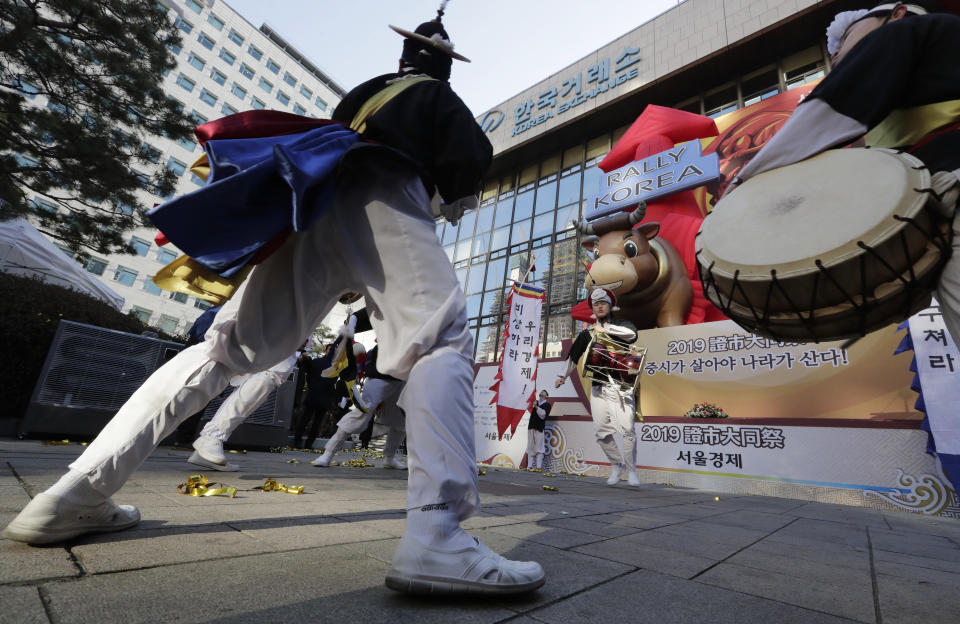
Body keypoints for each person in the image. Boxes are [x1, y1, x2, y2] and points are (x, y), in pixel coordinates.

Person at [3, 4, 545, 596]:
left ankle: (76, 492)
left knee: (223, 351)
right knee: (438, 342)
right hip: (386, 195)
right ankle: (438, 536)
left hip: (314, 207)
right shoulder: (439, 100)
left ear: (404, 54)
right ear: (444, 66)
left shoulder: (365, 92)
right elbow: (463, 181)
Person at [726, 1, 960, 343]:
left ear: (896, 14)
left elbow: (829, 111)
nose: (835, 56)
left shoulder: (910, 30)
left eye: (845, 39)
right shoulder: (913, 82)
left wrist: (747, 177)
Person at [556, 288, 642, 486]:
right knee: (602, 431)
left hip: (621, 385)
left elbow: (632, 335)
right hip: (599, 386)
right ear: (593, 309)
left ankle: (631, 470)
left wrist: (606, 330)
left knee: (627, 429)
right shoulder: (587, 333)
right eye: (596, 304)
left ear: (611, 306)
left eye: (603, 303)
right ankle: (617, 465)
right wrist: (562, 376)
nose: (600, 306)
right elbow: (573, 356)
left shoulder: (621, 325)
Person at [313, 342, 407, 469]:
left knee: (401, 421)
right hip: (379, 376)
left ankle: (389, 458)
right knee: (361, 414)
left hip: (402, 378)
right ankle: (328, 453)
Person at [524, 390, 552, 470]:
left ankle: (538, 466)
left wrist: (536, 407)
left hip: (539, 428)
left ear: (546, 396)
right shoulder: (535, 403)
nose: (541, 392)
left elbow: (543, 415)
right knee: (530, 446)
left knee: (539, 447)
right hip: (532, 427)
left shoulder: (547, 405)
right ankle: (529, 466)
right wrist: (534, 405)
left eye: (544, 392)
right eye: (541, 391)